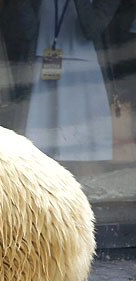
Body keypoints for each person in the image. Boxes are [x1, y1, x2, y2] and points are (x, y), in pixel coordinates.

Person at [23, 0, 120, 161]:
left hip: (84, 72)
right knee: (40, 153)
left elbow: (92, 29)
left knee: (82, 153)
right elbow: (24, 31)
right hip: (44, 65)